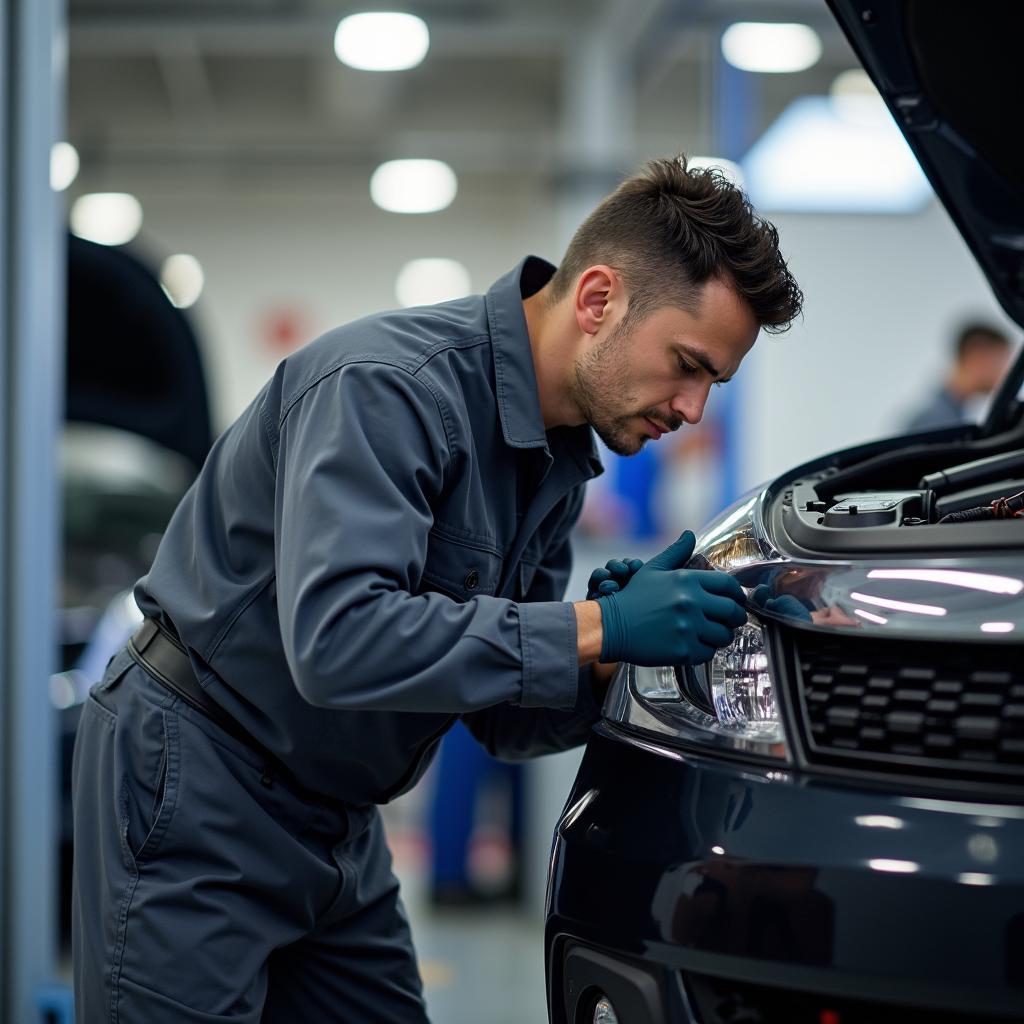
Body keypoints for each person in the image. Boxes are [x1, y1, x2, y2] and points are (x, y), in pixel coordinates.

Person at [71, 155, 803, 1022]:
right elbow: (340, 642)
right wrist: (589, 626)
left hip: (336, 817)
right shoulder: (389, 390)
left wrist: (604, 661)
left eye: (712, 383)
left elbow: (499, 717)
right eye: (686, 364)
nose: (691, 410)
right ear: (599, 299)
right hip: (199, 781)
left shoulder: (556, 464)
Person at [904, 322, 1012, 431]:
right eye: (1000, 363)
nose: (1003, 374)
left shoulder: (949, 416)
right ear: (976, 356)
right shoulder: (937, 423)